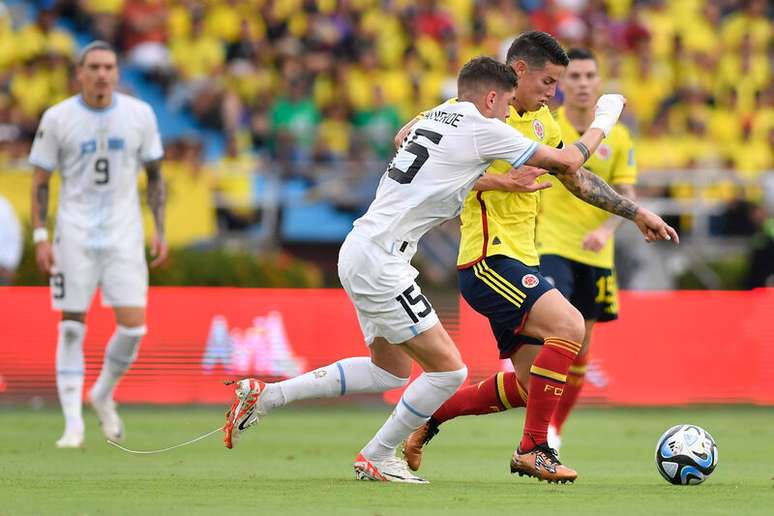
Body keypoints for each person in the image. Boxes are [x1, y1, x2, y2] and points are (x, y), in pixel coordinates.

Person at [223, 55, 647, 484]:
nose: (505, 117)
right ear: (493, 97)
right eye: (503, 108)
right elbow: (569, 162)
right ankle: (377, 455)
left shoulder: (436, 118)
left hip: (362, 248)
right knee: (450, 370)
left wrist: (500, 182)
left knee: (387, 371)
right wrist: (606, 114)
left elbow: (433, 163)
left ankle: (269, 395)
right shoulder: (483, 126)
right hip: (385, 258)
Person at [402, 33, 677, 483]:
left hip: (518, 260)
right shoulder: (476, 112)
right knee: (569, 326)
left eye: (559, 83)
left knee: (532, 385)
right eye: (548, 81)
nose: (555, 92)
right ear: (520, 71)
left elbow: (576, 178)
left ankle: (423, 422)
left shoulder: (543, 121)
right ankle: (535, 449)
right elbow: (413, 149)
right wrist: (603, 120)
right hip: (488, 259)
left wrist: (636, 212)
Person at [29, 41, 167, 448]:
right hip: (74, 233)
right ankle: (73, 425)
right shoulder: (58, 118)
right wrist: (40, 235)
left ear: (117, 71)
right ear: (80, 73)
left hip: (124, 233)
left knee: (134, 327)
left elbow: (155, 174)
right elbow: (40, 180)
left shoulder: (140, 114)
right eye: (94, 67)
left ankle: (102, 393)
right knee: (72, 326)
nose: (103, 74)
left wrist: (159, 229)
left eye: (109, 66)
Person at [538, 48, 638, 451]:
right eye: (574, 76)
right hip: (551, 244)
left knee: (581, 348)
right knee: (554, 325)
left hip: (595, 254)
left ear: (598, 84)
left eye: (588, 76)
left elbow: (627, 192)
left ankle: (554, 430)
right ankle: (532, 404)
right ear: (564, 84)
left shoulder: (619, 136)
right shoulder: (549, 127)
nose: (581, 83)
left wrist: (607, 228)